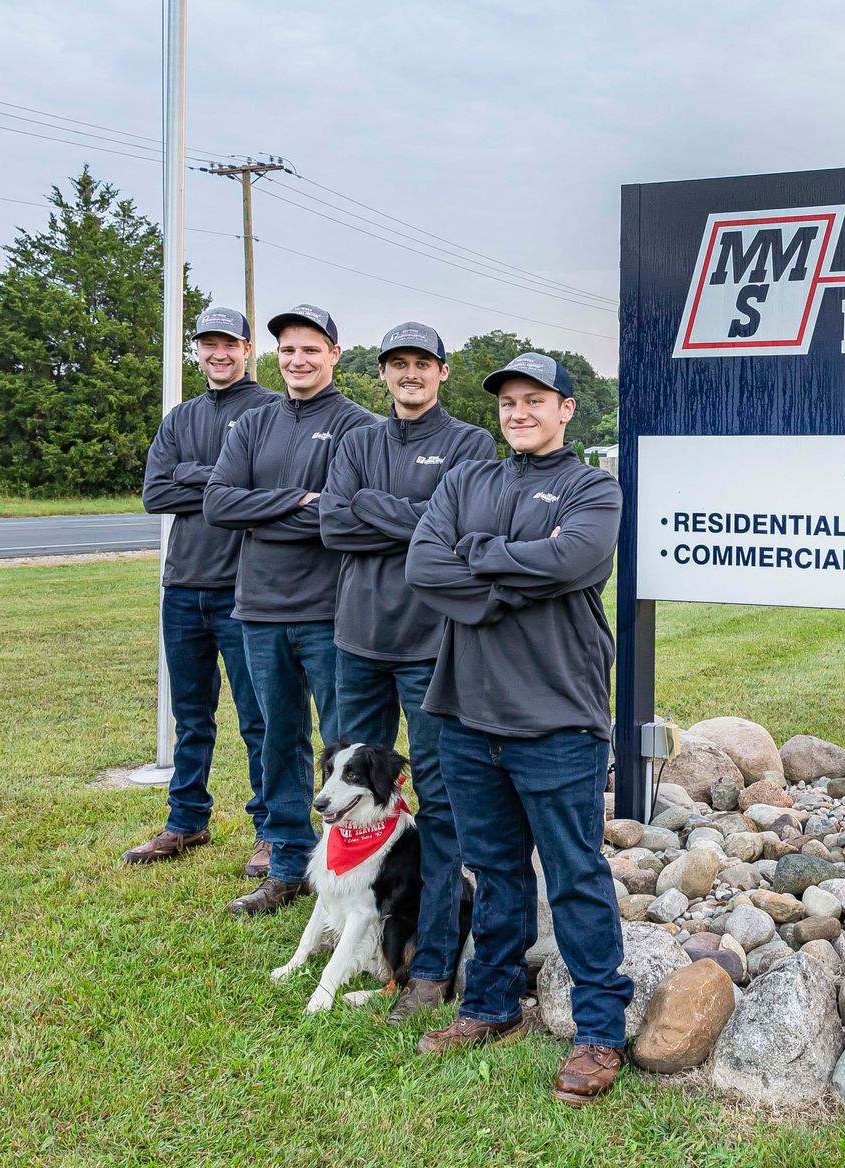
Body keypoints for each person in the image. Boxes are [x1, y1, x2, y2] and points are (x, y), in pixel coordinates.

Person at [405, 351, 629, 1105]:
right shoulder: (465, 480)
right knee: (495, 872)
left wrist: (479, 559)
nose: (519, 412)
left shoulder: (592, 487)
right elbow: (424, 567)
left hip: (557, 717)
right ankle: (491, 1007)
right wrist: (512, 581)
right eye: (509, 401)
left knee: (574, 875)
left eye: (536, 399)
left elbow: (574, 559)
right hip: (468, 715)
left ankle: (600, 1031)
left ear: (566, 409)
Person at [319, 321, 493, 1020]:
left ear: (442, 371)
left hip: (430, 645)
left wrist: (373, 505)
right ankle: (356, 926)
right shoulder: (358, 442)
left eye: (423, 362)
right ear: (383, 373)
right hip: (358, 638)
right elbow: (333, 525)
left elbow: (456, 532)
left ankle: (433, 959)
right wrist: (413, 518)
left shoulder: (470, 444)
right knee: (347, 792)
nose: (410, 373)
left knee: (438, 800)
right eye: (398, 363)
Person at [205, 303, 372, 916]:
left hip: (331, 611)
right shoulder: (253, 423)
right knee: (278, 737)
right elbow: (218, 503)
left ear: (334, 354)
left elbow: (343, 517)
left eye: (310, 349)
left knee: (341, 745)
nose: (297, 360)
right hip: (259, 609)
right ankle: (286, 865)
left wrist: (263, 512)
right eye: (288, 350)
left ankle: (348, 866)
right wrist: (297, 500)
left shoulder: (360, 427)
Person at [124, 307, 276, 873]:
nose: (218, 353)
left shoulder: (269, 411)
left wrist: (193, 473)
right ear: (197, 350)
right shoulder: (180, 417)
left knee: (260, 719)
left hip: (246, 589)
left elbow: (263, 488)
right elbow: (155, 494)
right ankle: (187, 821)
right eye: (208, 343)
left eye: (229, 343)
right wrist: (220, 483)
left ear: (247, 349)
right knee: (191, 717)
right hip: (184, 586)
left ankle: (270, 830)